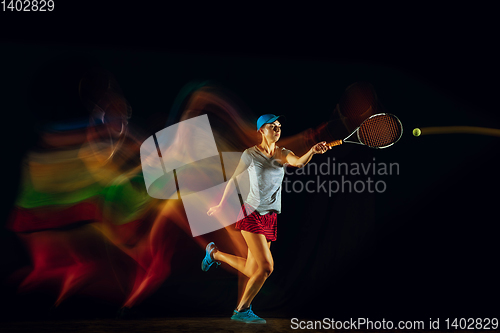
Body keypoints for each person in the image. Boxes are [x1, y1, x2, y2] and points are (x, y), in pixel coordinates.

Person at [204, 114, 330, 324]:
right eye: (272, 126)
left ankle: (214, 254)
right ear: (261, 131)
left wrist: (312, 151)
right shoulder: (250, 154)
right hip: (251, 213)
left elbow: (298, 163)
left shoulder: (283, 153)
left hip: (271, 217)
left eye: (279, 126)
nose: (277, 129)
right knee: (266, 268)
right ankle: (241, 310)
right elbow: (234, 179)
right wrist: (220, 204)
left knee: (252, 270)